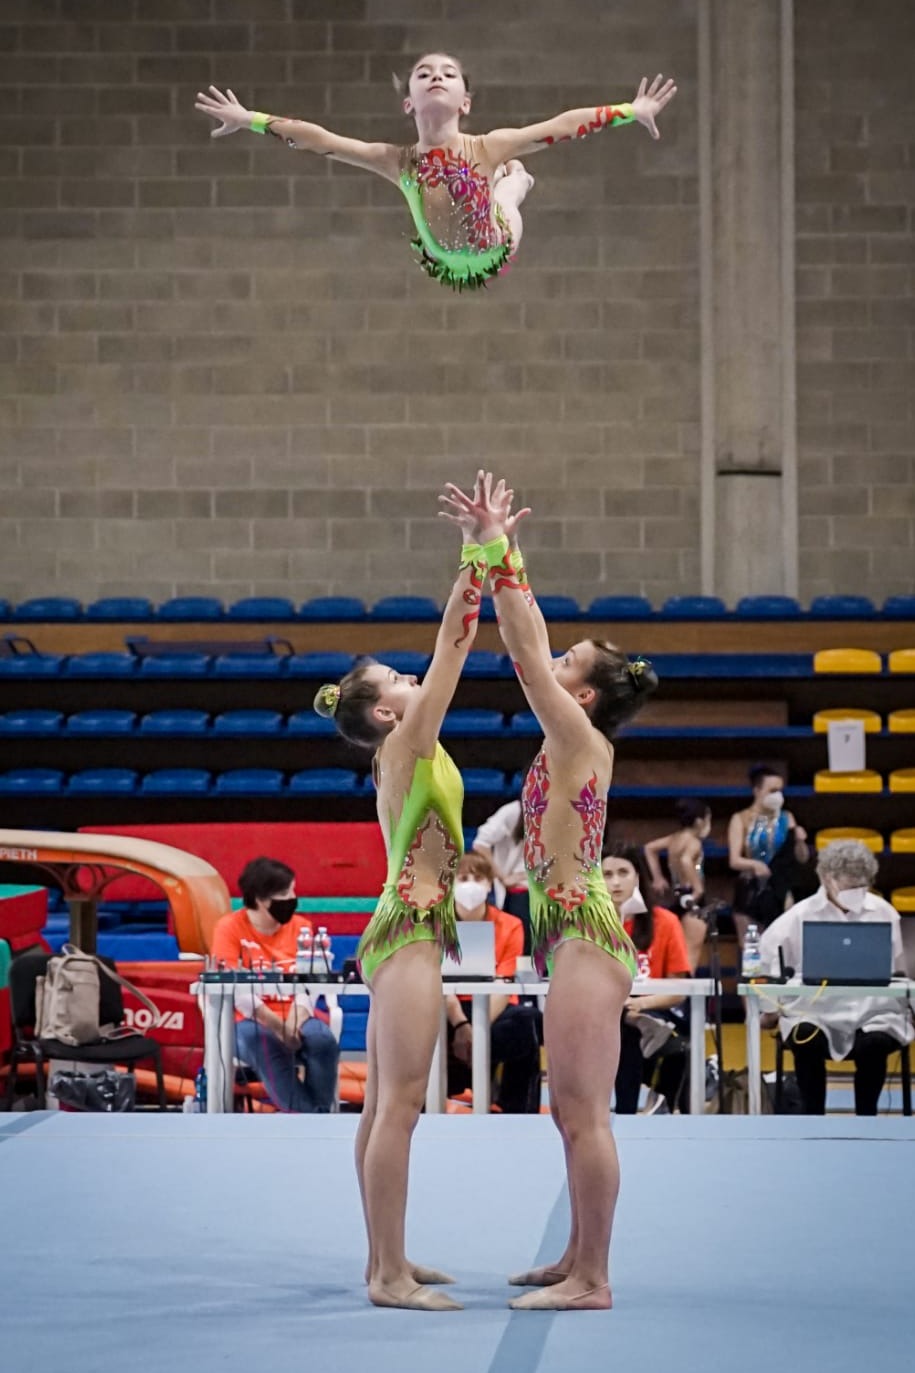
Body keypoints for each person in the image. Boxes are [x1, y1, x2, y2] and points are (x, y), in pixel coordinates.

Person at [440, 471, 658, 1311]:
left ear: (586, 693)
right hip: (567, 933)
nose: (555, 660)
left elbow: (527, 653)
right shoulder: (568, 737)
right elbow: (535, 648)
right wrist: (501, 555)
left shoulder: (577, 732)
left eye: (572, 661)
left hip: (586, 935)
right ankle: (574, 1255)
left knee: (583, 1112)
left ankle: (593, 1278)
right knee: (567, 1114)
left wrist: (498, 554)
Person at [310, 482, 489, 1312]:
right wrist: (477, 555)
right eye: (397, 678)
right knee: (403, 1106)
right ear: (387, 711)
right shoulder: (407, 743)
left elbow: (441, 660)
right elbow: (450, 650)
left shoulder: (412, 748)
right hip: (410, 927)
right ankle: (386, 1274)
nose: (412, 676)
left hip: (403, 925)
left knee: (386, 1102)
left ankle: (387, 1256)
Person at [194, 55, 676, 290]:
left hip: (498, 246)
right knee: (494, 194)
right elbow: (322, 141)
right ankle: (511, 185)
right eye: (424, 73)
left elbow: (561, 126)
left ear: (466, 100)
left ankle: (516, 184)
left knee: (507, 197)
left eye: (448, 72)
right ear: (409, 101)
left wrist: (632, 109)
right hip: (441, 260)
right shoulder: (400, 162)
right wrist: (250, 120)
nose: (437, 75)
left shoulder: (488, 146)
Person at [758, 840, 913, 1116]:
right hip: (814, 1012)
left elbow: (897, 972)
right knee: (806, 1038)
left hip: (872, 1011)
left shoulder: (884, 912)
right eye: (849, 886)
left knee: (875, 1043)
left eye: (861, 886)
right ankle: (813, 1117)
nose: (856, 892)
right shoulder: (797, 917)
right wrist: (770, 1011)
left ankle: (867, 1117)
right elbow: (769, 962)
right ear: (827, 878)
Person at [209, 857, 340, 1114]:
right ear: (260, 899)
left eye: (293, 891)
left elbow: (309, 983)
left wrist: (294, 1021)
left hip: (297, 1015)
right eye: (284, 893)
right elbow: (235, 990)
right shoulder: (229, 929)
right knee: (269, 1045)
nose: (292, 898)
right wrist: (279, 1027)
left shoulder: (302, 927)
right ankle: (314, 1120)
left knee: (323, 1042)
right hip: (247, 1022)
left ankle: (317, 1116)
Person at [446, 850, 542, 1114]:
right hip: (448, 1009)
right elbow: (435, 983)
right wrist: (462, 1025)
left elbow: (504, 982)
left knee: (528, 1021)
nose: (470, 885)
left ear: (489, 884)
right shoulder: (435, 924)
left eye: (478, 878)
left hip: (493, 1011)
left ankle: (518, 1110)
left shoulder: (510, 925)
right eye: (462, 878)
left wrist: (476, 1029)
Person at [602, 844, 692, 1114]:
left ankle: (634, 1114)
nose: (615, 882)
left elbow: (679, 990)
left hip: (654, 1013)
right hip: (604, 1018)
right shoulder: (589, 924)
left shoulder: (665, 923)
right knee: (623, 1029)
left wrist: (641, 1005)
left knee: (631, 1031)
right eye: (606, 874)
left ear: (638, 877)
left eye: (623, 872)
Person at [728, 764, 810, 947]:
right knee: (752, 950)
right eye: (772, 790)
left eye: (780, 790)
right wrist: (754, 865)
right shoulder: (741, 819)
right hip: (751, 890)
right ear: (757, 790)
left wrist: (799, 841)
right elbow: (734, 860)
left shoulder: (787, 818)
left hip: (780, 890)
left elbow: (802, 858)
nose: (777, 795)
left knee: (781, 947)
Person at [644, 799, 712, 971]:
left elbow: (649, 848)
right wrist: (698, 888)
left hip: (677, 895)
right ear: (699, 822)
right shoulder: (694, 842)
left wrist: (658, 878)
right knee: (690, 955)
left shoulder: (674, 838)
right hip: (692, 898)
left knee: (675, 953)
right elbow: (686, 860)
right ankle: (685, 995)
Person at [471, 796, 529, 946]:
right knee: (523, 953)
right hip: (521, 894)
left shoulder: (562, 810)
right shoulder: (514, 811)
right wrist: (503, 877)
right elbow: (480, 844)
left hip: (550, 893)